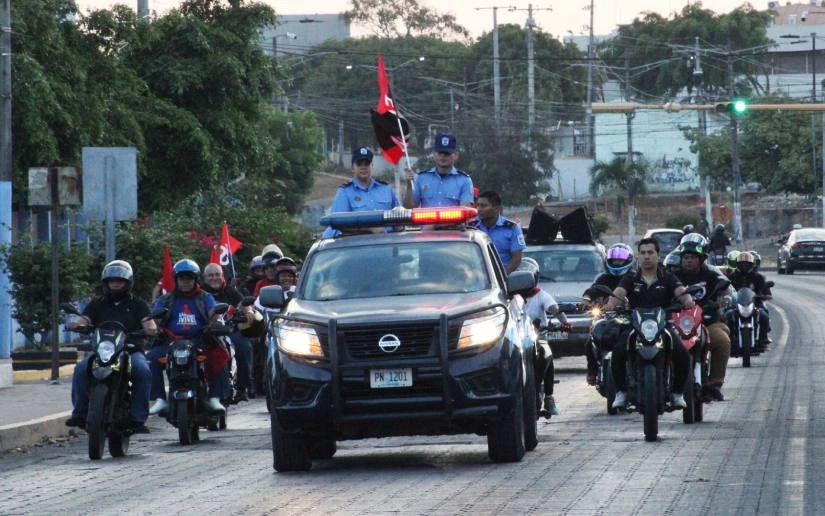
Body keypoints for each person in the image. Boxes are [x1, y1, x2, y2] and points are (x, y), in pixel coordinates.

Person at [65, 260, 157, 434]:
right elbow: (84, 319)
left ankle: (138, 418)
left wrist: (150, 329)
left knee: (143, 371)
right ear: (106, 282)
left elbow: (149, 324)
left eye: (120, 280)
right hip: (102, 352)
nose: (115, 283)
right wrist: (75, 324)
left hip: (130, 351)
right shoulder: (97, 303)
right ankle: (80, 413)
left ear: (128, 282)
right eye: (112, 280)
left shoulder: (138, 304)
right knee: (80, 370)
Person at [606, 238, 695, 410]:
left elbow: (681, 292)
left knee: (683, 354)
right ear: (638, 257)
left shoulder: (667, 276)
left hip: (663, 325)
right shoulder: (631, 277)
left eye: (650, 252)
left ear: (658, 255)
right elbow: (618, 294)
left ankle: (677, 394)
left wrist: (687, 300)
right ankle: (622, 393)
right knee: (617, 353)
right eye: (643, 253)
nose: (647, 256)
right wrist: (609, 305)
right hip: (635, 326)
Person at [147, 259, 228, 415]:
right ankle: (160, 399)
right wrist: (154, 325)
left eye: (189, 278)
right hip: (171, 342)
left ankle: (215, 397)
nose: (185, 282)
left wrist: (216, 319)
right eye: (181, 278)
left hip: (200, 341)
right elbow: (155, 319)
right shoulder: (166, 299)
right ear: (176, 280)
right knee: (150, 359)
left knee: (220, 355)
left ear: (195, 279)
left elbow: (213, 313)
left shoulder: (205, 297)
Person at [672, 234, 732, 401]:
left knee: (721, 340)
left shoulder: (711, 275)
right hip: (676, 323)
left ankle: (714, 383)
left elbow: (727, 292)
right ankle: (662, 381)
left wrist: (724, 299)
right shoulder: (671, 276)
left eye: (693, 257)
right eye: (686, 257)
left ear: (702, 259)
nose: (689, 261)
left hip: (706, 322)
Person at [518, 257, 571, 417]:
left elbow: (555, 309)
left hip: (538, 338)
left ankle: (549, 396)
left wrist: (565, 322)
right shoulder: (511, 297)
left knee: (546, 356)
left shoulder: (541, 295)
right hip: (518, 341)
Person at [581, 243, 635, 385]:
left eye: (620, 260)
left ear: (628, 261)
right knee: (590, 342)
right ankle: (592, 370)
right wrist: (586, 300)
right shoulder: (603, 279)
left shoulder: (634, 278)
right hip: (607, 317)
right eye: (614, 260)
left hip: (630, 317)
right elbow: (592, 291)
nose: (617, 263)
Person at [202, 263, 255, 403]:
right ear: (204, 278)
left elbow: (244, 304)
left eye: (217, 274)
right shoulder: (201, 293)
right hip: (207, 332)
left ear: (223, 276)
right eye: (210, 275)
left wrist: (248, 312)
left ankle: (242, 387)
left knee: (245, 347)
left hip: (230, 330)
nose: (214, 278)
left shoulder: (230, 291)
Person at [322, 146, 400, 238]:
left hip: (385, 244)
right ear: (352, 168)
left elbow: (399, 217)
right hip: (357, 246)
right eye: (359, 164)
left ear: (372, 166)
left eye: (367, 164)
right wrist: (370, 229)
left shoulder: (386, 189)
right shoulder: (345, 192)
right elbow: (338, 223)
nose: (363, 167)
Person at [403, 132, 474, 209]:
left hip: (452, 221)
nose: (443, 156)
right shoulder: (421, 178)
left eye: (447, 153)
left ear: (455, 156)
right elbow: (409, 208)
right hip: (427, 220)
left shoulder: (464, 180)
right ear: (433, 154)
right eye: (440, 153)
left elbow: (466, 210)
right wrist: (409, 186)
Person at [726, 251, 772, 348]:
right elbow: (725, 289)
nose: (744, 266)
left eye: (746, 264)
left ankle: (763, 337)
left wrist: (766, 295)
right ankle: (729, 339)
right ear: (737, 264)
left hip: (755, 304)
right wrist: (725, 296)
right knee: (727, 315)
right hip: (736, 305)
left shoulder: (758, 277)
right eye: (741, 264)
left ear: (751, 265)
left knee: (764, 315)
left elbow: (766, 291)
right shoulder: (731, 277)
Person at [472, 190, 526, 273]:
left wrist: (502, 278)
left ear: (496, 208)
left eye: (483, 206)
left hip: (505, 278)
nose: (479, 209)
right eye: (478, 205)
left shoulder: (512, 229)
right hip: (476, 278)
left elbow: (516, 259)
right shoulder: (471, 227)